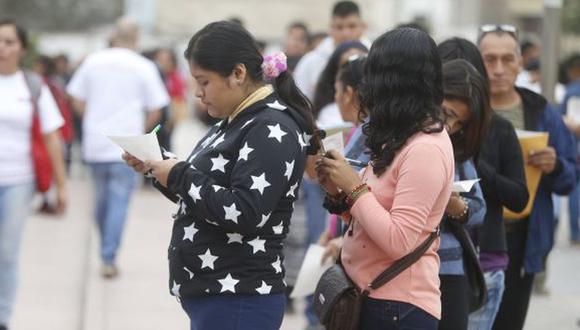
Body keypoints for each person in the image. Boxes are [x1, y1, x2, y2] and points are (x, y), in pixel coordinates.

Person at [124, 21, 316, 330]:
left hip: (240, 298)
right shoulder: (237, 119)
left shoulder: (269, 127)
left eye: (204, 82)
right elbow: (208, 191)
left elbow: (245, 210)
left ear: (238, 73)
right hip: (219, 297)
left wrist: (180, 175)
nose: (198, 93)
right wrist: (159, 167)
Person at [316, 27, 455, 329]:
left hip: (398, 307)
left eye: (374, 76)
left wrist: (353, 186)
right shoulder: (401, 135)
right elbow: (372, 217)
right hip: (373, 297)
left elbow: (398, 240)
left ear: (394, 82)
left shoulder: (426, 149)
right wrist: (338, 190)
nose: (368, 87)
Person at [477, 25, 577, 330]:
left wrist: (554, 165)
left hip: (522, 238)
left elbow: (569, 178)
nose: (498, 69)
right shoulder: (464, 107)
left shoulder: (540, 110)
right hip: (471, 236)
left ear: (520, 62)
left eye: (507, 59)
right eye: (489, 59)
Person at [437, 37, 530, 330]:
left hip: (484, 260)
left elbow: (519, 196)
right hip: (433, 264)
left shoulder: (497, 128)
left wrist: (475, 166)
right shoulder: (423, 130)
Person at [67, 17, 169, 278]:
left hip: (95, 141)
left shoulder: (93, 61)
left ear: (114, 35)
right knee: (119, 202)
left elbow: (75, 97)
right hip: (127, 146)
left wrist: (91, 118)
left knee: (101, 202)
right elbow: (157, 108)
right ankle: (108, 255)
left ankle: (106, 249)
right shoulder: (144, 66)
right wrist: (141, 134)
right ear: (136, 38)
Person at [0, 19, 68, 330]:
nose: (2, 48)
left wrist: (61, 187)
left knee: (7, 252)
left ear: (22, 49)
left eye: (9, 42)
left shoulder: (33, 86)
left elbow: (52, 137)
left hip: (18, 180)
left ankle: (2, 316)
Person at [437, 59, 489, 330]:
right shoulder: (391, 131)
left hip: (449, 272)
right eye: (445, 113)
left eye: (459, 122)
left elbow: (479, 208)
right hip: (396, 272)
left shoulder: (455, 152)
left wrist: (455, 204)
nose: (450, 127)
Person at [294, 0, 368, 100]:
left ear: (363, 27)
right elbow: (299, 101)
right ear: (331, 28)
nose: (346, 33)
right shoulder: (310, 62)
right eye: (339, 27)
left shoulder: (374, 58)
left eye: (352, 26)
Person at [561, 54, 580, 245]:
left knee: (576, 191)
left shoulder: (571, 91)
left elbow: (563, 121)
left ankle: (576, 232)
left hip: (574, 146)